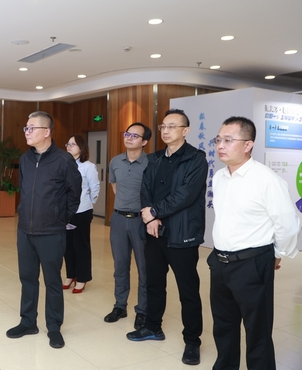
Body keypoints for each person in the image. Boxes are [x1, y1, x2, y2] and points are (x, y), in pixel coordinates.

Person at [209, 116, 300, 370]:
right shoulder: (219, 177)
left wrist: (278, 253)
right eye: (218, 140)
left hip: (252, 264)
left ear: (248, 145)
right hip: (220, 262)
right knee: (223, 326)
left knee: (257, 330)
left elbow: (288, 224)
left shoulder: (266, 179)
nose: (220, 145)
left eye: (228, 140)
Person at [126, 108, 207, 367]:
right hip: (155, 232)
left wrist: (155, 212)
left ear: (186, 130)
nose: (166, 130)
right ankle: (152, 327)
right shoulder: (155, 158)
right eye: (163, 126)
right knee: (153, 283)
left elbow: (186, 195)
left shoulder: (196, 159)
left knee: (188, 291)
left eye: (172, 126)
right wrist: (150, 218)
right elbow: (145, 190)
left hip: (182, 234)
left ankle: (192, 341)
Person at [6, 111, 82, 349]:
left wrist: (60, 219)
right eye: (26, 128)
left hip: (51, 232)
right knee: (27, 278)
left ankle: (54, 326)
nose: (27, 132)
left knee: (52, 281)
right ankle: (28, 321)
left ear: (47, 132)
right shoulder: (25, 159)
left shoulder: (63, 160)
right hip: (25, 231)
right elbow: (24, 190)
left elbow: (75, 194)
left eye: (32, 128)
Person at [104, 122, 151, 329]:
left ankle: (143, 311)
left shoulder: (150, 163)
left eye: (135, 135)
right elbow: (115, 187)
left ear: (144, 141)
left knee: (144, 268)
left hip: (141, 221)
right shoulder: (115, 161)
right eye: (127, 134)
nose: (129, 138)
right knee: (120, 266)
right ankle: (120, 306)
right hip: (118, 219)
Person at [62, 134, 99, 293]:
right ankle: (71, 275)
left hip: (82, 211)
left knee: (81, 246)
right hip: (66, 212)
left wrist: (89, 204)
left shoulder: (88, 166)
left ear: (81, 147)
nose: (69, 147)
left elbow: (95, 187)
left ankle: (82, 278)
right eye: (68, 144)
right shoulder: (64, 164)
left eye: (73, 144)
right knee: (67, 246)